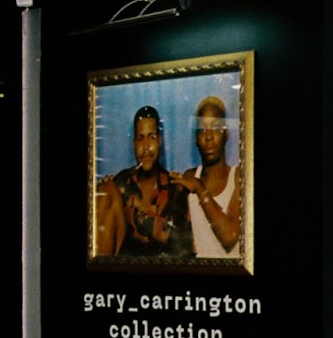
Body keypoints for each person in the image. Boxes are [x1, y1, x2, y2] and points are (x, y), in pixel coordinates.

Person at [95, 105, 193, 258]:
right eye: (140, 138)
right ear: (134, 143)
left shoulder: (175, 187)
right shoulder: (121, 182)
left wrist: (137, 212)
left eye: (152, 137)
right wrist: (104, 190)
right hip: (124, 269)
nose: (146, 146)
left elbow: (178, 243)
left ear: (160, 141)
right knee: (105, 192)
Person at [181, 95, 241, 258]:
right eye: (202, 130)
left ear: (226, 134)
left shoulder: (238, 176)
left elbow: (230, 237)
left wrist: (200, 188)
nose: (208, 136)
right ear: (196, 139)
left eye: (215, 127)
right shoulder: (190, 177)